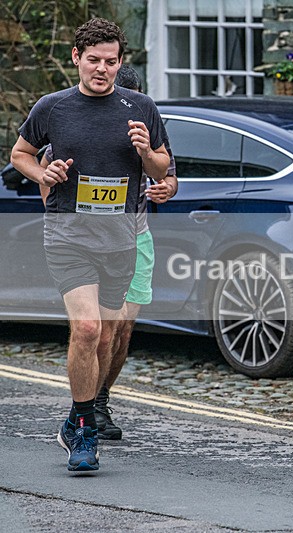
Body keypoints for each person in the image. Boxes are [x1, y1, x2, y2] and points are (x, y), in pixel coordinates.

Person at [10, 18, 170, 472]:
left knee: (106, 339)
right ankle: (84, 429)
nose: (103, 69)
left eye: (111, 61)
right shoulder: (52, 108)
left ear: (121, 62)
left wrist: (146, 152)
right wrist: (44, 174)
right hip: (68, 236)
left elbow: (163, 171)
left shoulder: (140, 107)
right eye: (94, 60)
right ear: (77, 58)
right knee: (86, 329)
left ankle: (76, 414)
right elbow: (19, 154)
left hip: (120, 240)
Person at [38, 64, 178, 441]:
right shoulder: (68, 125)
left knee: (119, 332)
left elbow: (168, 175)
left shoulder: (144, 125)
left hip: (134, 240)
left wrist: (165, 187)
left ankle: (97, 399)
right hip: (80, 242)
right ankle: (85, 413)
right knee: (91, 330)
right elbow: (45, 185)